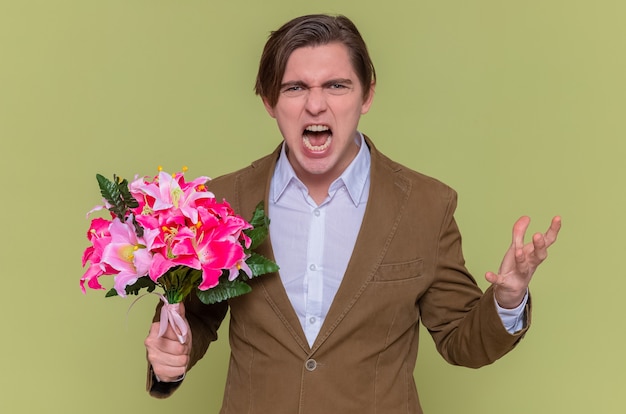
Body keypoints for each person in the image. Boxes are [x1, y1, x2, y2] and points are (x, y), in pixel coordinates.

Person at [144, 14, 561, 413]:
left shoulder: (426, 205)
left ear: (367, 95)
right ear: (270, 101)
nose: (316, 105)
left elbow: (460, 341)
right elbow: (190, 321)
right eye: (295, 88)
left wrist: (508, 301)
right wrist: (170, 358)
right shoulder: (220, 201)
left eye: (337, 85)